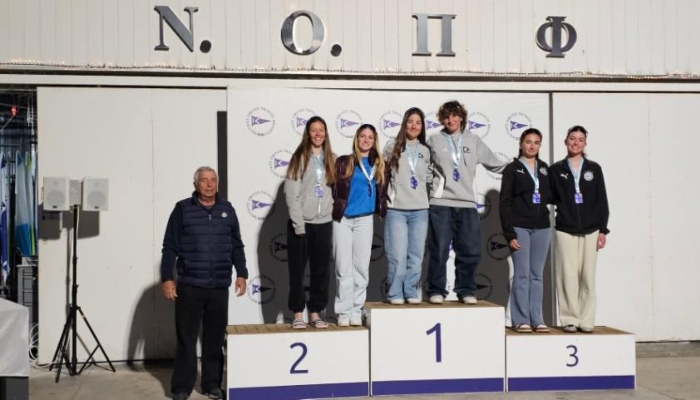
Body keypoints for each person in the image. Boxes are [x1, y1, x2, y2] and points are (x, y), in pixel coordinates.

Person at [160, 166, 247, 400]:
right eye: (204, 180)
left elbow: (236, 245)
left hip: (218, 286)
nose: (209, 184)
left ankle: (211, 385)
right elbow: (170, 246)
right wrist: (167, 278)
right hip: (190, 285)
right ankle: (181, 387)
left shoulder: (227, 209)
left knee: (214, 339)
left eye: (213, 180)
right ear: (195, 185)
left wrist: (242, 273)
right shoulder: (182, 209)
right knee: (187, 340)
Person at [426, 100, 507, 305]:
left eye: (454, 115)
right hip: (441, 204)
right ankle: (436, 290)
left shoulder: (474, 140)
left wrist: (519, 166)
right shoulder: (434, 140)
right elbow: (424, 169)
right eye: (446, 117)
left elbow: (495, 164)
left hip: (467, 204)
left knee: (470, 251)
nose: (450, 120)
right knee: (439, 249)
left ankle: (466, 290)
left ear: (461, 117)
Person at [551, 125, 610, 334]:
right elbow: (549, 197)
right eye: (572, 138)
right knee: (567, 276)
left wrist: (602, 229)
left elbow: (602, 200)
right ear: (565, 141)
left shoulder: (594, 169)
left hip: (591, 230)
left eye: (580, 139)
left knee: (587, 277)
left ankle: (586, 320)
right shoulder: (556, 170)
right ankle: (569, 319)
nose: (575, 142)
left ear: (585, 144)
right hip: (565, 229)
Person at [332, 124, 389, 326]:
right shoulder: (344, 161)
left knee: (362, 268)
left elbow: (383, 192)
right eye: (362, 136)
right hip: (343, 220)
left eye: (370, 137)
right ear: (356, 138)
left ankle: (356, 310)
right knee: (343, 267)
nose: (366, 140)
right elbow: (334, 189)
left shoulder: (379, 164)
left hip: (365, 220)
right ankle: (343, 312)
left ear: (374, 141)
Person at [284, 116, 336, 329]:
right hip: (302, 223)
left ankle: (315, 313)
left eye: (321, 130)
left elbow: (336, 191)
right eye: (314, 130)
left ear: (326, 133)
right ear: (307, 133)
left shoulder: (332, 158)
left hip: (324, 223)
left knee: (320, 272)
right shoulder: (299, 158)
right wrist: (298, 224)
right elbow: (291, 193)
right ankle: (297, 313)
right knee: (297, 272)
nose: (318, 134)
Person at [499, 128, 552, 333]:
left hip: (542, 227)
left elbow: (551, 196)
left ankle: (537, 318)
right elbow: (504, 202)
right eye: (528, 142)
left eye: (536, 142)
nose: (532, 146)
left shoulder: (545, 169)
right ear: (521, 143)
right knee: (522, 274)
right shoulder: (512, 169)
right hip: (519, 226)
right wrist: (509, 233)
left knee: (536, 275)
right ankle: (521, 319)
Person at [383, 107, 432, 305]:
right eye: (410, 121)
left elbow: (429, 177)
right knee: (397, 255)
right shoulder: (391, 147)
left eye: (418, 123)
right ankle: (395, 292)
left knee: (416, 255)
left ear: (422, 127)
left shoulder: (426, 150)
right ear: (404, 124)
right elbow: (380, 173)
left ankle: (411, 290)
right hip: (396, 209)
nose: (414, 126)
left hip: (420, 210)